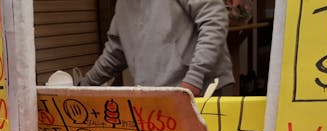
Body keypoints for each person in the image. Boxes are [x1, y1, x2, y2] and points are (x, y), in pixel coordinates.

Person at [79, 0, 235, 96]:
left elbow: (214, 21)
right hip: (158, 96)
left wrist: (194, 79)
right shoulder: (123, 4)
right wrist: (83, 86)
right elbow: (115, 52)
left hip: (203, 90)